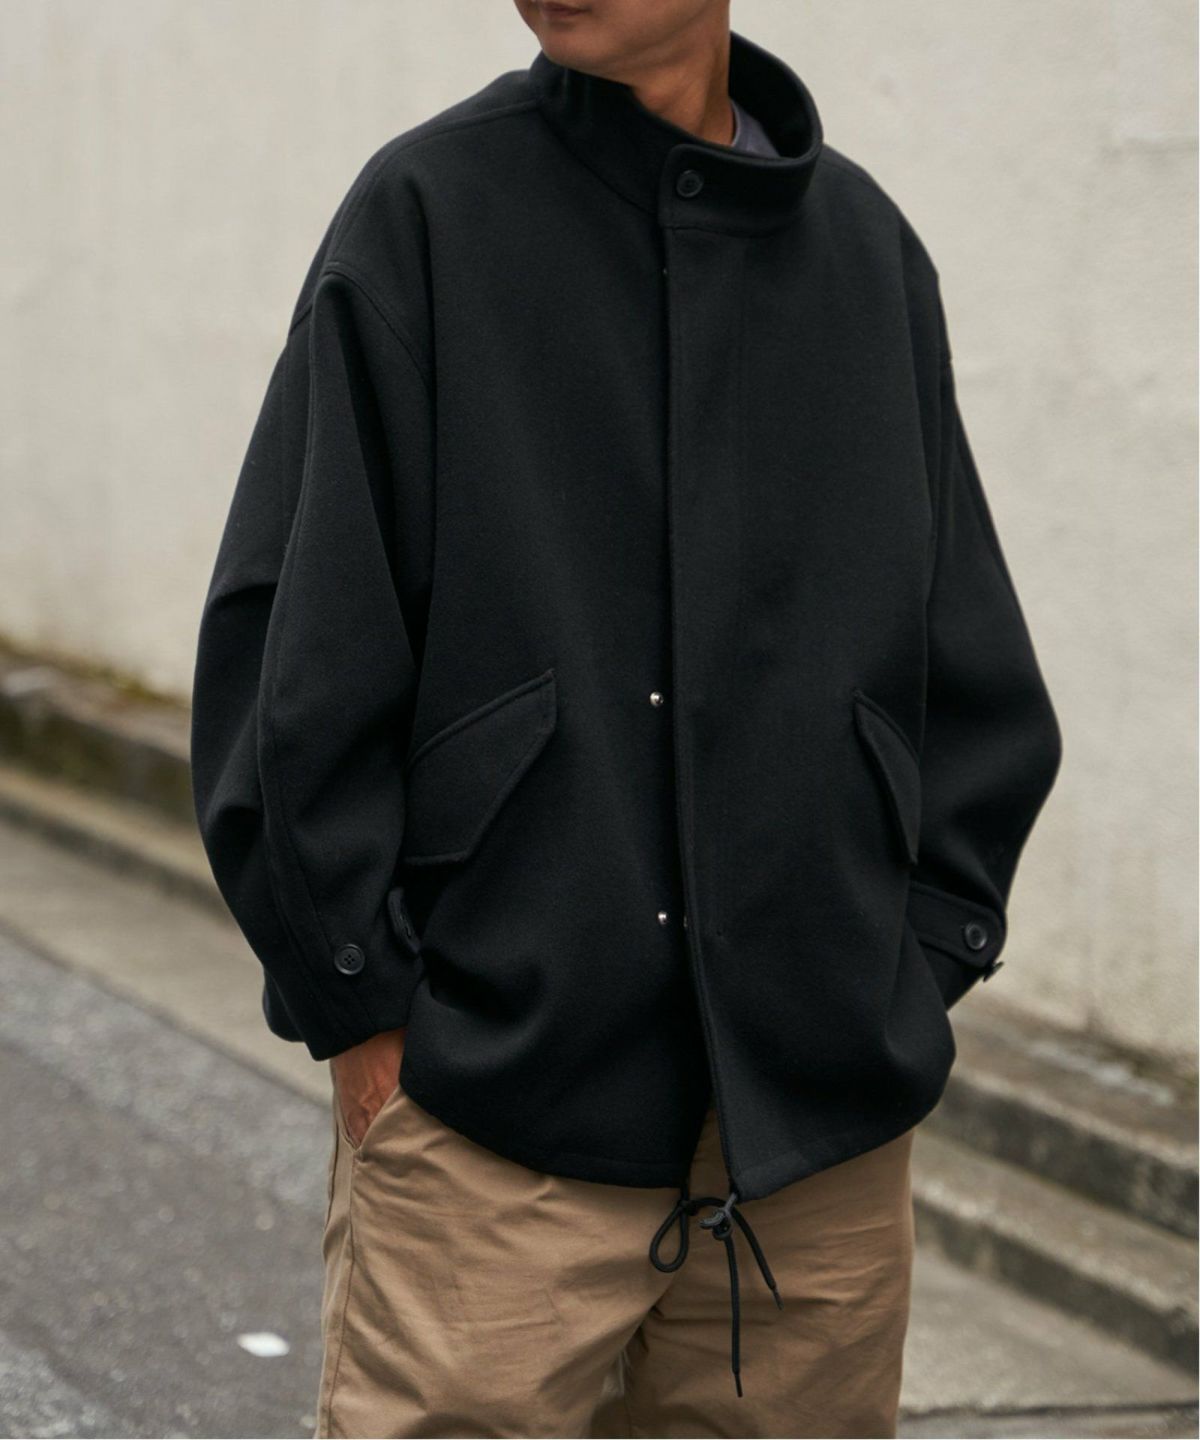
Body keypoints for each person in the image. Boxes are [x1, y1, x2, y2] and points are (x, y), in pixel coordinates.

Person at [189, 2, 1063, 1435]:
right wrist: (363, 1007)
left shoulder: (865, 254)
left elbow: (964, 651)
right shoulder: (429, 212)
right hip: (492, 1112)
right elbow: (296, 644)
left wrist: (915, 956)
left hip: (816, 1139)